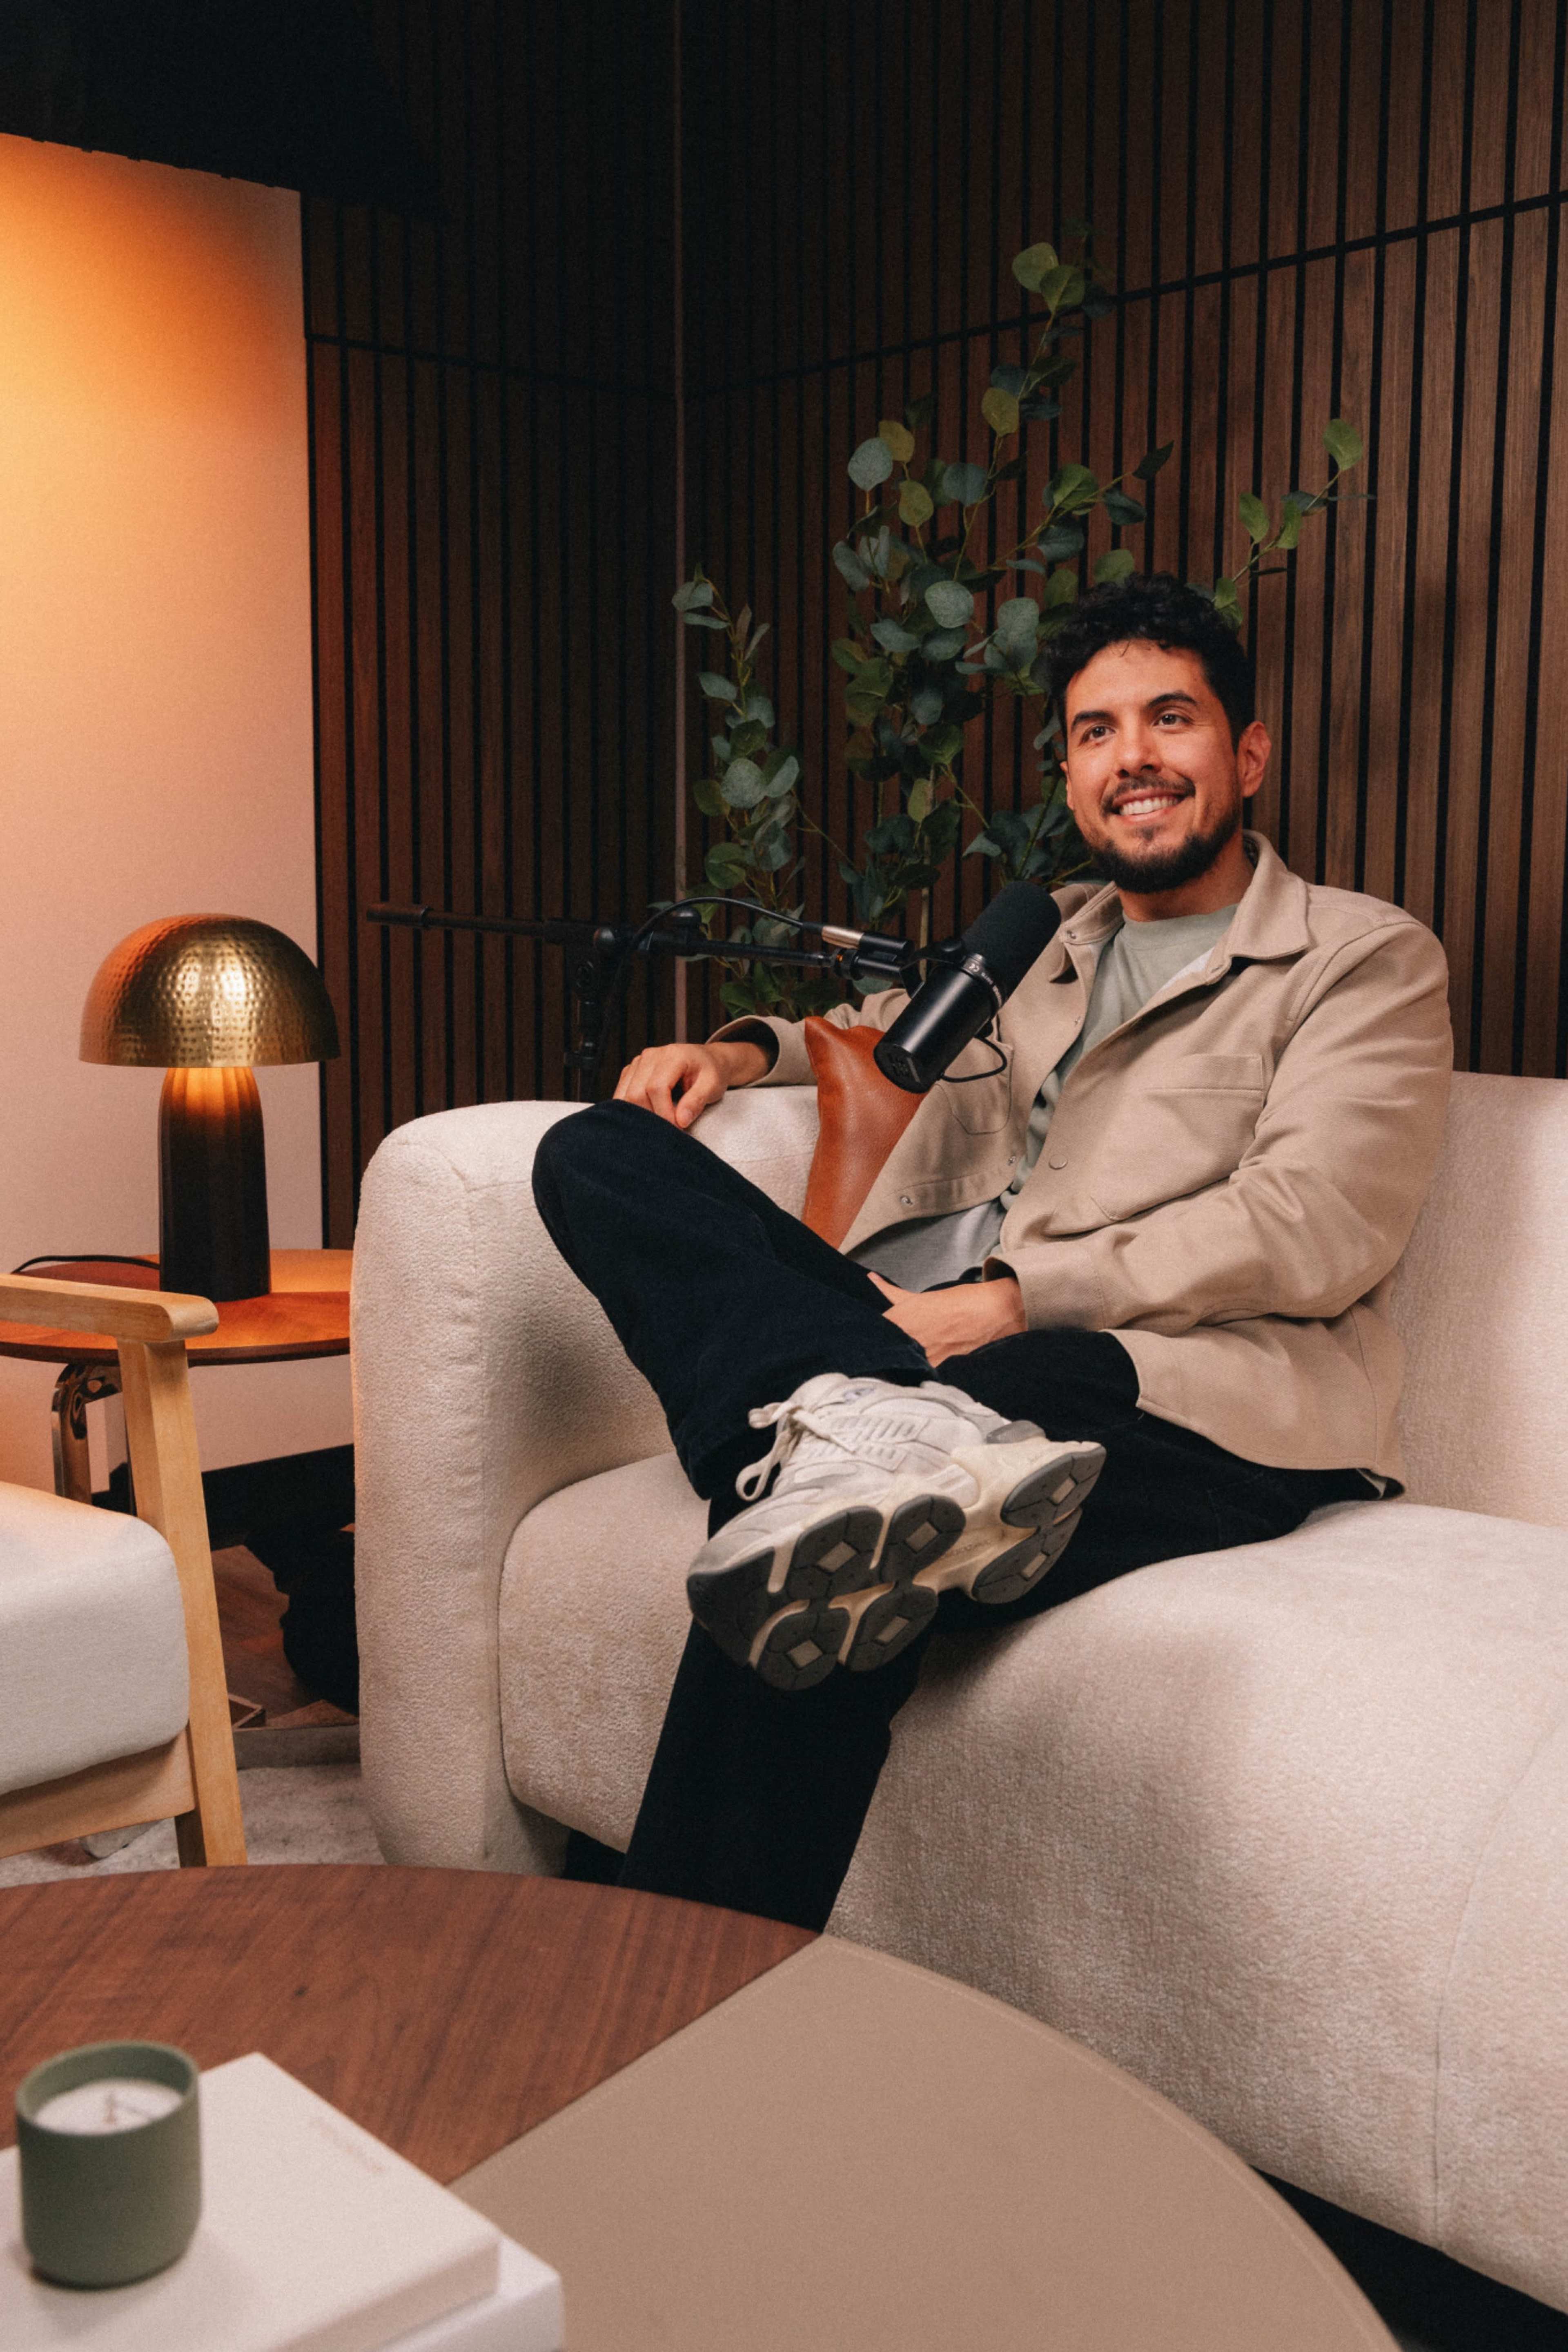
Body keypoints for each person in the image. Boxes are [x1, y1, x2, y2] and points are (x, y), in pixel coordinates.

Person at [532, 573, 1453, 1933]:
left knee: (823, 1533)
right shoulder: (1044, 940)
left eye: (1171, 719)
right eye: (1096, 732)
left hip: (1180, 1392)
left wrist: (1012, 1303)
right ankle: (852, 1423)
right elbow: (887, 1029)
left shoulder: (1359, 959)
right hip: (938, 1353)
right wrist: (735, 1054)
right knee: (593, 1153)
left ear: (1247, 754)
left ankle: (665, 1973)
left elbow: (1316, 1224)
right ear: (1072, 776)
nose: (1133, 757)